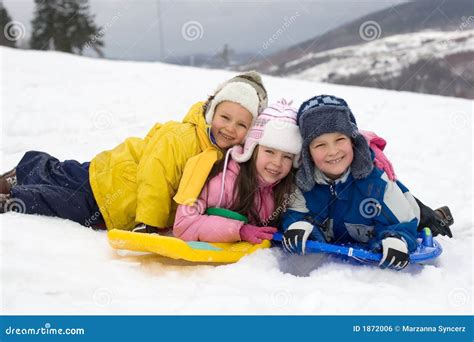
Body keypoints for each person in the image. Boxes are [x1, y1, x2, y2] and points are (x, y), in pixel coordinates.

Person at [0, 71, 268, 231]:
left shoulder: (232, 155)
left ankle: (32, 165)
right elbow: (155, 175)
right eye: (225, 118)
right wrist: (149, 222)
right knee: (62, 201)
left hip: (116, 172)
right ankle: (13, 196)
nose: (231, 129)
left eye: (242, 124)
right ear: (212, 113)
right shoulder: (185, 137)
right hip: (116, 190)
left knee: (65, 173)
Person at [281, 95, 452, 270]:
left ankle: (439, 216)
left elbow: (404, 223)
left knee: (425, 222)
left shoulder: (378, 184)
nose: (332, 151)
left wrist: (396, 238)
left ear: (353, 141)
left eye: (340, 140)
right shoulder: (304, 184)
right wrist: (298, 224)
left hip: (402, 207)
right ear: (307, 153)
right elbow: (293, 213)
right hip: (354, 218)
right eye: (320, 145)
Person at [173, 99, 302, 244]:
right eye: (269, 152)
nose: (277, 163)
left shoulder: (285, 188)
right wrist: (238, 230)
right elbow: (183, 225)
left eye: (287, 156)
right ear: (251, 149)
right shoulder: (225, 182)